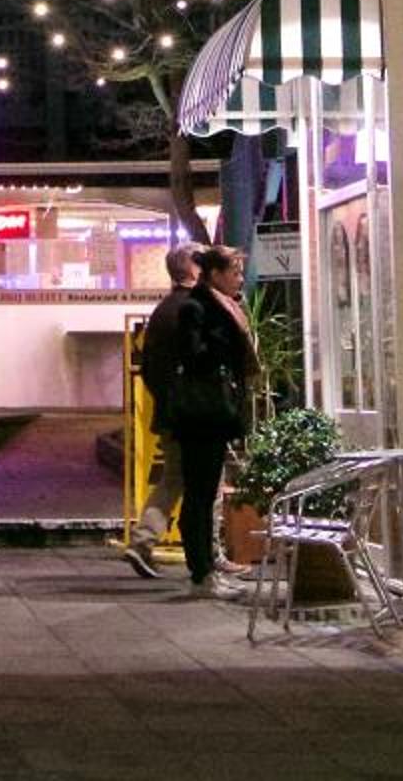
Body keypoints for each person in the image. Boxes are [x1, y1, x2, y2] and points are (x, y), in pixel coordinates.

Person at [167, 245, 261, 596]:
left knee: (206, 493)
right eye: (234, 272)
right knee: (200, 494)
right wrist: (222, 343)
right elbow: (193, 357)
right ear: (216, 275)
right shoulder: (196, 308)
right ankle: (201, 573)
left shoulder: (224, 306)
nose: (239, 279)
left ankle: (206, 570)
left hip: (215, 413)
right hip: (202, 415)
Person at [121, 243, 201, 578]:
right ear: (193, 269)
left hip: (170, 412)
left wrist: (168, 399)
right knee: (205, 483)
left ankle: (143, 540)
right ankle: (208, 553)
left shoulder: (163, 310)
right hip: (195, 414)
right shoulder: (194, 308)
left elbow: (149, 369)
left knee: (173, 478)